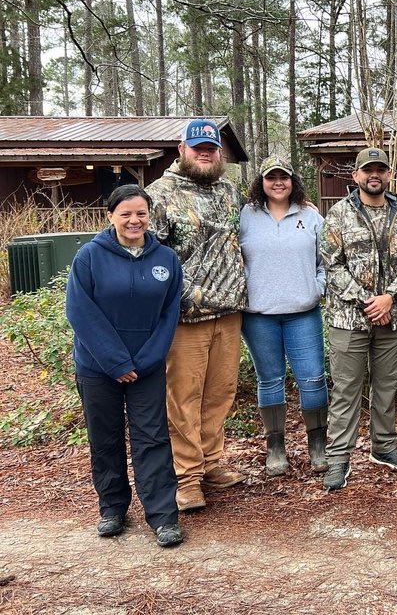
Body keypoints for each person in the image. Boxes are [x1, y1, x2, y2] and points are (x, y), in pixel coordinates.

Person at [65, 185, 184, 547]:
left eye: (141, 213)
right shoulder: (89, 257)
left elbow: (170, 312)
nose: (134, 220)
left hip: (146, 367)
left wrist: (147, 359)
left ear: (150, 216)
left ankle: (163, 517)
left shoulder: (166, 259)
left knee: (153, 439)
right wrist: (115, 361)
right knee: (106, 438)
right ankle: (112, 508)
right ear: (111, 215)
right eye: (126, 213)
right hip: (97, 367)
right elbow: (80, 311)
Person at [146, 119, 248, 512]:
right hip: (185, 318)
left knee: (219, 394)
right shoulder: (159, 195)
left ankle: (211, 463)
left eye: (211, 148)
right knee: (183, 397)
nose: (205, 153)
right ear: (182, 150)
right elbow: (151, 259)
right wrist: (177, 296)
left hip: (229, 312)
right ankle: (186, 478)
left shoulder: (228, 192)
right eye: (198, 147)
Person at [320, 147, 397, 490]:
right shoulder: (338, 215)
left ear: (387, 174)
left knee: (386, 386)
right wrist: (368, 301)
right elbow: (332, 266)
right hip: (349, 320)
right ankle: (338, 458)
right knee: (347, 390)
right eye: (368, 170)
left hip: (393, 318)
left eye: (379, 169)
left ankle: (384, 446)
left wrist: (389, 298)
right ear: (357, 176)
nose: (374, 175)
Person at [240, 156, 329, 477]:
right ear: (260, 182)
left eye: (284, 177)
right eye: (271, 177)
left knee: (313, 378)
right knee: (270, 380)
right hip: (259, 315)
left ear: (293, 181)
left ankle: (318, 445)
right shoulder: (246, 217)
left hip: (303, 313)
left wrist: (316, 288)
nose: (278, 183)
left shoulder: (310, 216)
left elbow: (326, 260)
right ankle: (275, 448)